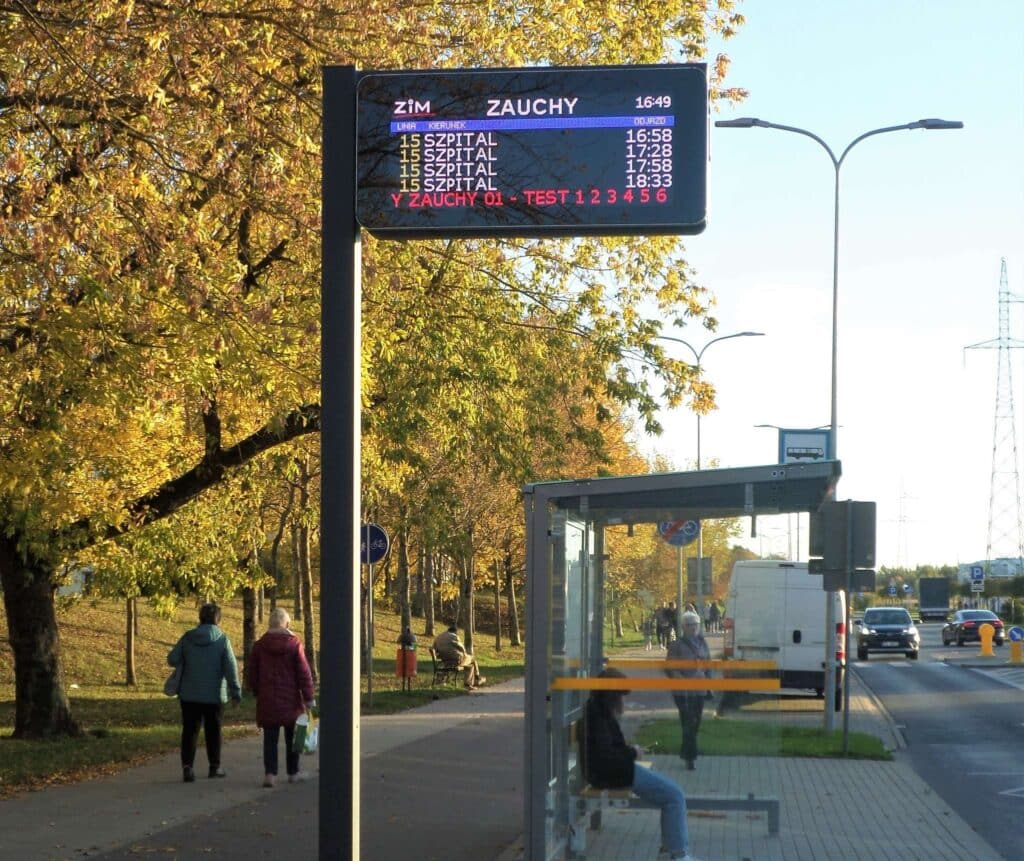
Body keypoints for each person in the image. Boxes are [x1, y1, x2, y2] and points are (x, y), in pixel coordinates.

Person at [582, 668, 700, 861]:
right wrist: (632, 752)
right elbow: (607, 755)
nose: (623, 701)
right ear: (612, 694)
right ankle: (677, 855)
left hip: (611, 771)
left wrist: (630, 751)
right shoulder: (599, 716)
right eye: (621, 695)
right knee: (674, 796)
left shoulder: (597, 710)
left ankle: (670, 852)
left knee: (672, 795)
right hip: (613, 773)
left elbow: (608, 750)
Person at [168, 602, 242, 783]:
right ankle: (214, 767)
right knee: (213, 731)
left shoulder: (187, 638)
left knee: (190, 730)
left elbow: (172, 659)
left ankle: (187, 767)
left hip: (189, 694)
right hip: (214, 695)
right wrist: (236, 692)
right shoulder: (222, 640)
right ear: (218, 619)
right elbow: (231, 669)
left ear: (200, 618)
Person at [245, 607, 316, 788]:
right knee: (293, 737)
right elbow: (304, 673)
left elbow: (252, 671)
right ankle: (293, 772)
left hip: (267, 699)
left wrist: (254, 689)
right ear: (287, 623)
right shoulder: (294, 644)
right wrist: (309, 697)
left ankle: (270, 774)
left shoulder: (260, 645)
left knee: (270, 739)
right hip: (291, 700)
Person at [666, 611, 710, 770]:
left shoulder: (702, 642)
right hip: (683, 691)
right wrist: (682, 680)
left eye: (696, 624)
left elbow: (708, 663)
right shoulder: (676, 645)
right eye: (691, 625)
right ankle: (690, 757)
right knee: (688, 721)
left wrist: (707, 676)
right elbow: (670, 668)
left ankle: (686, 751)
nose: (694, 628)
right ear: (684, 627)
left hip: (699, 689)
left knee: (696, 721)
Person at [433, 623, 486, 689]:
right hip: (456, 660)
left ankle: (475, 679)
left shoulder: (439, 637)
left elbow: (434, 648)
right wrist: (465, 655)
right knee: (472, 660)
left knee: (469, 663)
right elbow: (462, 648)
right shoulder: (454, 636)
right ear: (455, 631)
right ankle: (473, 680)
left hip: (444, 661)